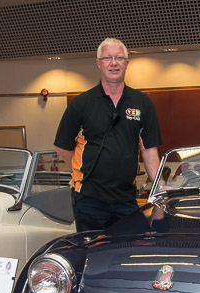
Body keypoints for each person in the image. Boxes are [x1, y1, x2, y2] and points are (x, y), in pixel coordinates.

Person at [54, 37, 161, 231]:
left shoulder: (142, 102)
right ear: (99, 63)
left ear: (127, 63)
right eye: (107, 58)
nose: (113, 63)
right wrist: (81, 170)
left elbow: (149, 149)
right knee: (92, 255)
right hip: (89, 199)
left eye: (119, 58)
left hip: (126, 199)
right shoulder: (81, 103)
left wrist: (160, 186)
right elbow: (61, 145)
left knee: (126, 253)